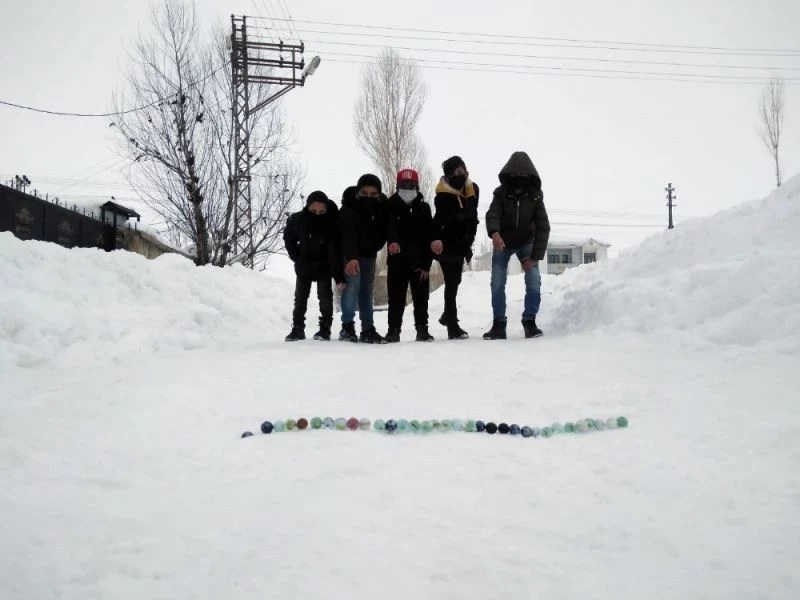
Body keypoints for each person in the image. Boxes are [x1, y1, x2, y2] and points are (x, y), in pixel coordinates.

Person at [483, 151, 551, 340]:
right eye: (515, 176)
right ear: (508, 177)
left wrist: (535, 258)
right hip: (502, 242)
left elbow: (544, 227)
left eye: (523, 177)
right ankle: (498, 324)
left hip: (527, 242)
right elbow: (492, 214)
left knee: (533, 279)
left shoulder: (536, 197)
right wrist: (494, 233)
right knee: (497, 281)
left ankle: (529, 321)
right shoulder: (500, 194)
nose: (519, 180)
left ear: (530, 177)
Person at [283, 191, 345, 342]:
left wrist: (338, 276)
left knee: (325, 298)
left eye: (321, 211)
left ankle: (325, 329)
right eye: (313, 211)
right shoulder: (298, 220)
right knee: (300, 298)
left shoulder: (331, 223)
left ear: (326, 209)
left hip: (325, 266)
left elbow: (334, 250)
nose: (317, 214)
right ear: (307, 207)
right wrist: (296, 256)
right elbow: (288, 238)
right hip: (304, 265)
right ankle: (297, 329)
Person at [430, 155, 479, 340]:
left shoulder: (472, 190)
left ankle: (446, 315)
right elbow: (441, 220)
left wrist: (469, 240)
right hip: (446, 245)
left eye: (464, 170)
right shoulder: (442, 195)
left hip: (461, 245)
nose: (463, 174)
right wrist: (437, 239)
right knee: (451, 283)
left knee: (456, 281)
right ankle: (452, 326)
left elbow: (472, 216)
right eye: (458, 172)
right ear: (449, 175)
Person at [385, 168, 435, 343]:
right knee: (395, 299)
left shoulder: (424, 208)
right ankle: (393, 331)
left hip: (419, 264)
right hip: (396, 264)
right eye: (404, 185)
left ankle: (422, 330)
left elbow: (429, 236)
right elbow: (389, 228)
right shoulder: (390, 206)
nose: (408, 189)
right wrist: (392, 242)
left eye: (411, 185)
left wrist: (427, 265)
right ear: (398, 187)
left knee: (421, 299)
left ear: (417, 187)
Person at [338, 174, 388, 344]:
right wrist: (351, 258)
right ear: (358, 193)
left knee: (366, 292)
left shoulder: (381, 209)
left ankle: (367, 329)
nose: (369, 197)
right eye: (365, 193)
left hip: (369, 255)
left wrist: (375, 246)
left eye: (373, 194)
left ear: (379, 195)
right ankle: (347, 327)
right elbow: (347, 235)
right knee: (352, 288)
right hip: (352, 256)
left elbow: (383, 232)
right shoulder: (348, 209)